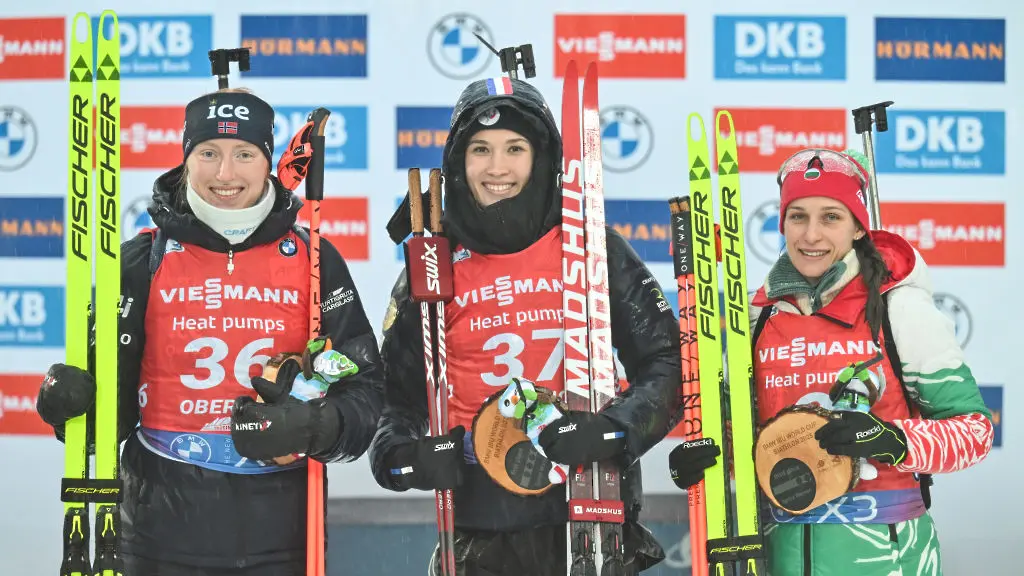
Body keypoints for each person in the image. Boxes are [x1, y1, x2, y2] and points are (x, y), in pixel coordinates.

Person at [36, 87, 384, 574]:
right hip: (159, 541)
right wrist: (68, 404)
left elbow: (366, 391)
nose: (226, 174)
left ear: (269, 163)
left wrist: (316, 425)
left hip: (282, 540)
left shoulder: (314, 260)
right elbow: (100, 424)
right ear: (186, 159)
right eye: (209, 153)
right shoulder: (141, 260)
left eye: (244, 153)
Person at [370, 75, 685, 576]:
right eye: (480, 149)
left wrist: (613, 432)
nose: (498, 168)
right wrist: (405, 457)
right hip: (478, 525)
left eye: (515, 148)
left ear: (543, 157)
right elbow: (395, 395)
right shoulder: (434, 261)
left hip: (588, 511)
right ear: (457, 162)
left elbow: (668, 364)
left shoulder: (591, 246)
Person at [668, 148, 994, 575]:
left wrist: (893, 441)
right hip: (776, 554)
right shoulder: (756, 317)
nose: (811, 235)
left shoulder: (898, 310)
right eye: (797, 216)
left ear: (859, 226)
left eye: (831, 217)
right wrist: (703, 457)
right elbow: (741, 440)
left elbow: (975, 431)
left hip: (886, 558)